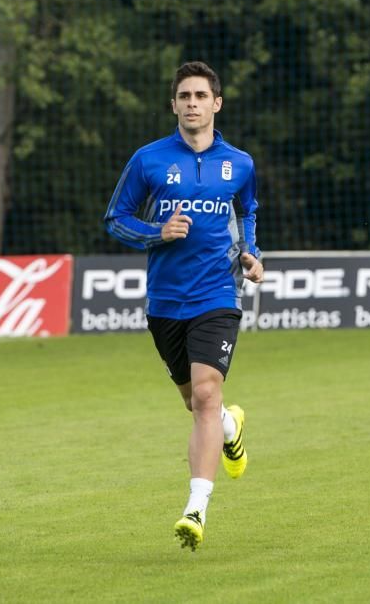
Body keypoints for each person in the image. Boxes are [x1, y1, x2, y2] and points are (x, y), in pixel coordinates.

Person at [104, 61, 264, 551]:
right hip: (166, 301)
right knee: (196, 403)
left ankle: (196, 508)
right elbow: (116, 219)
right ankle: (230, 427)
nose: (192, 103)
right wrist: (158, 231)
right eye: (184, 96)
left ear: (217, 103)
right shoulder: (149, 160)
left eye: (201, 95)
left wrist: (251, 252)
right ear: (173, 104)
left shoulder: (240, 163)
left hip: (218, 293)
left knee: (207, 391)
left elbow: (248, 210)